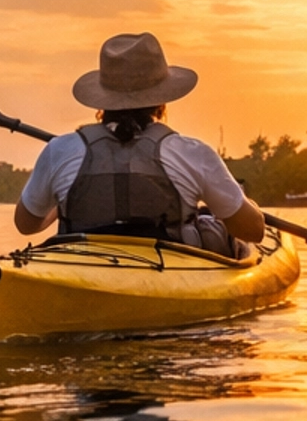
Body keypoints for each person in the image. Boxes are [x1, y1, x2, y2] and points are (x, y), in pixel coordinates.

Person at [14, 32, 267, 257]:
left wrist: (62, 202)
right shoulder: (193, 153)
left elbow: (27, 224)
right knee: (217, 232)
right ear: (162, 102)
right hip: (170, 272)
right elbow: (253, 231)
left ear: (102, 103)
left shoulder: (60, 150)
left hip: (83, 265)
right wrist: (245, 202)